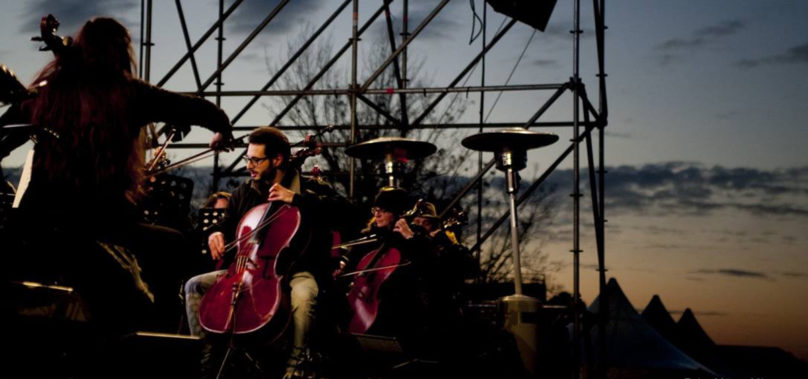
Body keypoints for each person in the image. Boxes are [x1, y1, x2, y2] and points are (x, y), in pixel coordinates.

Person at [0, 16, 233, 376]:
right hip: (97, 222)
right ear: (121, 52)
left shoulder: (49, 91)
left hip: (38, 222)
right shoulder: (129, 92)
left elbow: (5, 132)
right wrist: (221, 130)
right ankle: (165, 349)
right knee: (176, 247)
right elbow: (197, 108)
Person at [184, 126, 348, 378]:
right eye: (248, 158)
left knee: (304, 297)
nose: (249, 165)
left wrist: (296, 199)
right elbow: (225, 224)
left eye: (256, 159)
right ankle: (206, 357)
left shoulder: (309, 188)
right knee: (194, 285)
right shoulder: (243, 193)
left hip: (295, 271)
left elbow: (350, 213)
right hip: (248, 271)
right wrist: (214, 232)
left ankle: (295, 366)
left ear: (278, 160)